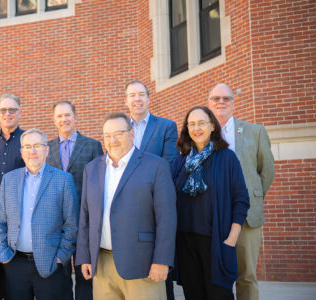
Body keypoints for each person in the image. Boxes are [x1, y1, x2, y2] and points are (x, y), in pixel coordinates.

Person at [75, 112, 176, 300]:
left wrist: (162, 260)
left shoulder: (156, 166)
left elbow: (166, 218)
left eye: (118, 134)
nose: (112, 140)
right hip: (102, 265)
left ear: (131, 134)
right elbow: (85, 216)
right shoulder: (92, 169)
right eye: (107, 136)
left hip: (142, 265)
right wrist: (84, 257)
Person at [172, 106, 250, 299]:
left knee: (219, 294)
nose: (196, 128)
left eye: (201, 123)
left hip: (216, 241)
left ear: (213, 126)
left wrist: (231, 239)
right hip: (185, 241)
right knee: (193, 295)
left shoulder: (227, 158)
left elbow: (241, 200)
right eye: (191, 124)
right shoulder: (180, 161)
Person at [0, 128, 79, 300]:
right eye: (27, 146)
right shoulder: (9, 180)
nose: (32, 151)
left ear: (47, 150)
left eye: (37, 146)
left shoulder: (63, 179)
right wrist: (3, 253)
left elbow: (71, 225)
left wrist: (61, 257)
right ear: (22, 152)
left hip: (51, 265)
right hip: (15, 264)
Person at [207, 83, 275, 300]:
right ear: (209, 103)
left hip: (246, 217)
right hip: (213, 217)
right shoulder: (200, 133)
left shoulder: (255, 132)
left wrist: (248, 200)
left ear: (233, 102)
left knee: (246, 276)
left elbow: (267, 171)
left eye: (226, 98)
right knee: (215, 277)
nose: (221, 102)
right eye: (216, 98)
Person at [46, 100, 103, 300]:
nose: (64, 119)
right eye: (59, 116)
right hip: (56, 223)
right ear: (54, 120)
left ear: (75, 117)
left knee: (85, 276)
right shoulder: (46, 148)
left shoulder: (92, 146)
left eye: (67, 115)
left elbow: (99, 185)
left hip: (83, 221)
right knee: (59, 277)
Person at [124, 80, 178, 166]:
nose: (137, 99)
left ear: (148, 99)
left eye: (141, 94)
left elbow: (169, 164)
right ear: (126, 101)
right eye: (132, 95)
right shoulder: (119, 129)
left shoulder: (166, 127)